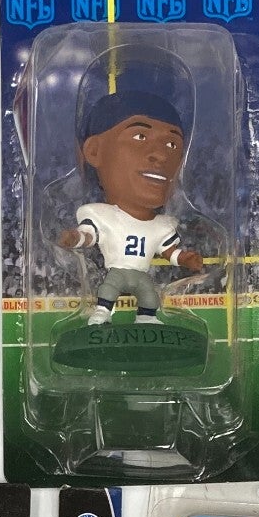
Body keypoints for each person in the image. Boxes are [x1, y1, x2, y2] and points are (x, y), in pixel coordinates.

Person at [57, 73, 204, 327]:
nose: (161, 155)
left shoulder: (162, 225)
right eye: (139, 137)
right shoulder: (102, 214)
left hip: (140, 273)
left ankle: (146, 318)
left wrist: (185, 259)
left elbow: (169, 251)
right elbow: (90, 235)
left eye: (172, 144)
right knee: (108, 290)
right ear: (94, 150)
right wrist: (74, 239)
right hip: (117, 270)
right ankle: (102, 314)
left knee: (149, 296)